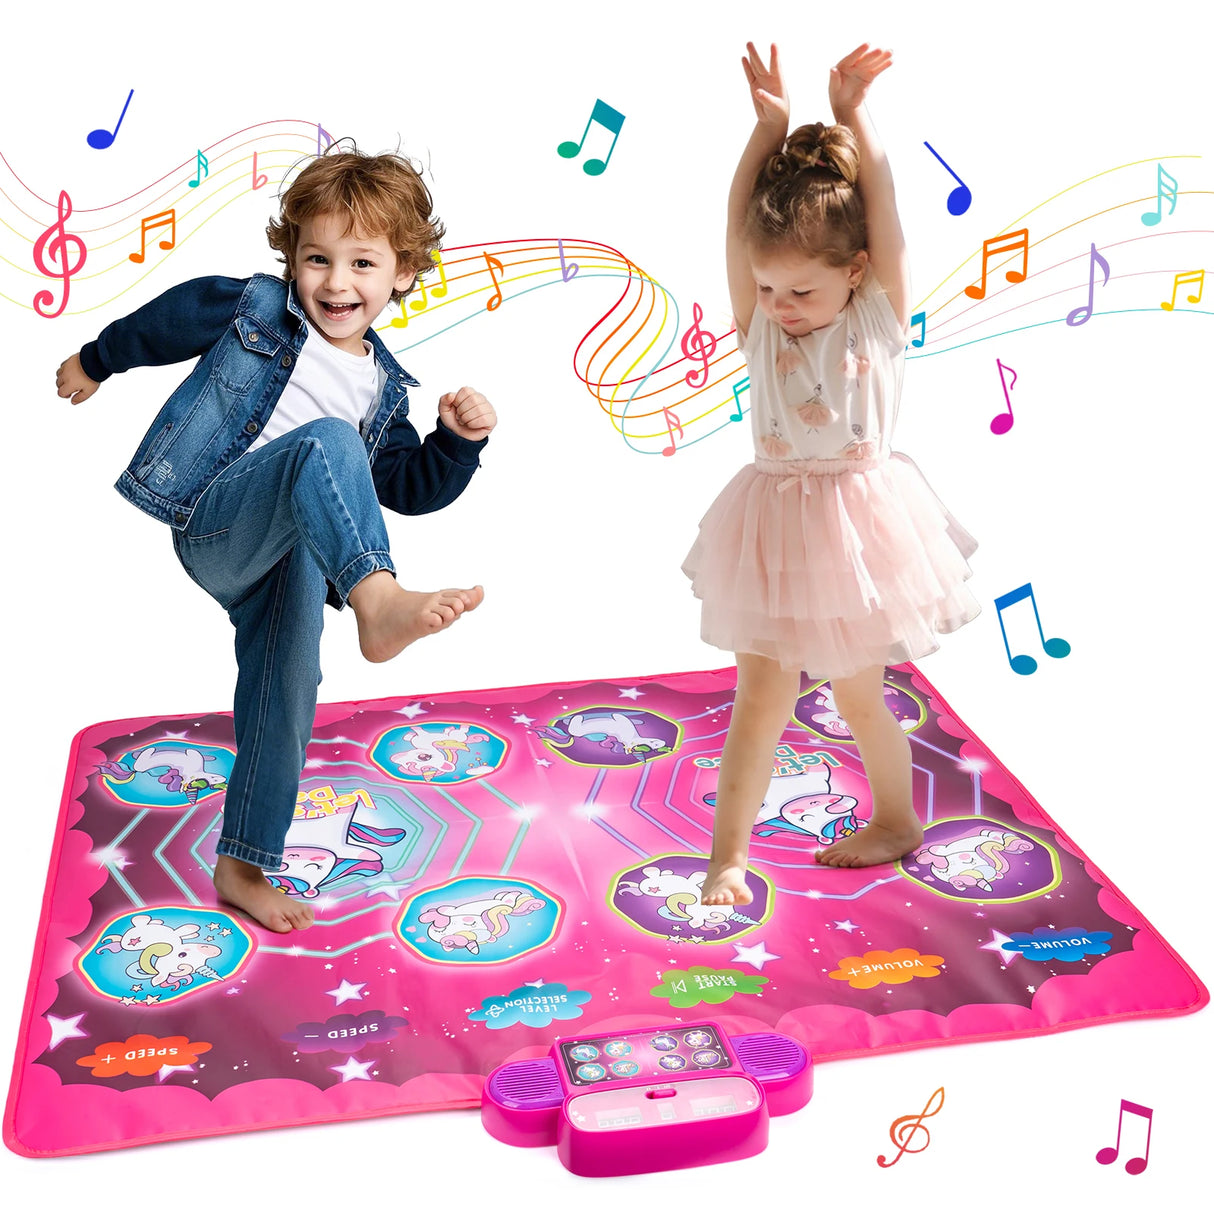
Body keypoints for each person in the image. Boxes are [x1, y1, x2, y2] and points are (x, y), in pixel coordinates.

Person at [55, 148, 497, 933]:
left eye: (362, 263)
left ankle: (244, 862)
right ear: (291, 259)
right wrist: (98, 359)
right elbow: (170, 318)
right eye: (317, 258)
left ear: (402, 274)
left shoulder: (382, 388)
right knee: (326, 441)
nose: (336, 282)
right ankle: (379, 600)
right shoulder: (256, 307)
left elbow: (400, 488)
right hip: (218, 521)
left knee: (284, 692)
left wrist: (455, 444)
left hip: (290, 559)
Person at [684, 43, 979, 904]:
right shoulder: (762, 326)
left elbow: (885, 214)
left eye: (800, 292)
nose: (779, 304)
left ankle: (897, 819)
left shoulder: (877, 316)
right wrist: (765, 130)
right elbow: (733, 225)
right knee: (759, 700)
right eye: (769, 287)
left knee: (859, 700)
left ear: (853, 276)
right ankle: (725, 860)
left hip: (858, 532)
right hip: (772, 527)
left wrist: (855, 117)